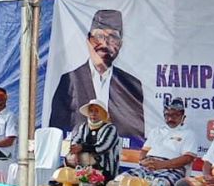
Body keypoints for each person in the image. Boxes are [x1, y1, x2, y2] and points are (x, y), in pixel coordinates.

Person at [49, 9, 144, 142]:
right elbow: (56, 131)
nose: (104, 44)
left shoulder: (131, 85)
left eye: (112, 37)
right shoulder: (70, 80)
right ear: (88, 40)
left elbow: (135, 135)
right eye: (99, 36)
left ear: (120, 44)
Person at [127, 97, 198, 186]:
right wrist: (143, 161)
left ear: (183, 117)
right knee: (121, 181)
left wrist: (162, 164)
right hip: (148, 167)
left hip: (172, 170)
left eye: (175, 115)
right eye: (167, 115)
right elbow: (144, 151)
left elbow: (187, 158)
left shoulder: (189, 134)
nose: (170, 118)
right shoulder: (156, 131)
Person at [65, 98, 120, 183]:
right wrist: (75, 152)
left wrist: (82, 148)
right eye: (91, 111)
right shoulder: (84, 126)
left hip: (104, 170)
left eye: (97, 111)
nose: (93, 114)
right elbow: (75, 141)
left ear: (102, 113)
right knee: (64, 170)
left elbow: (102, 147)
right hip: (82, 168)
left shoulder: (111, 129)